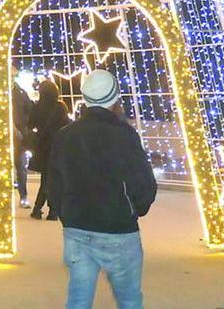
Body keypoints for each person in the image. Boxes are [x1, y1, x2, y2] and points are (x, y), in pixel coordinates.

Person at [47, 69, 156, 309]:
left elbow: (53, 182)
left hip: (77, 226)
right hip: (118, 228)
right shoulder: (124, 134)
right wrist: (134, 209)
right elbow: (144, 183)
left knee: (78, 300)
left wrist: (65, 212)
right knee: (129, 300)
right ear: (115, 97)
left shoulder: (65, 135)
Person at [29, 80, 71, 221]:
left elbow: (30, 125)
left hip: (42, 146)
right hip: (57, 145)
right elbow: (66, 124)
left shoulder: (37, 107)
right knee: (52, 179)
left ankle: (40, 208)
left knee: (46, 178)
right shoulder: (60, 107)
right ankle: (50, 210)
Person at [12, 84, 34, 208]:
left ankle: (23, 196)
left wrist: (23, 127)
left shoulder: (21, 92)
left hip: (20, 136)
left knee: (21, 165)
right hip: (3, 134)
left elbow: (29, 110)